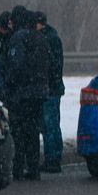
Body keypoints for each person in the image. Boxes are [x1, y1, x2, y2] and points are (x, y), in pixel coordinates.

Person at [4, 6, 51, 180]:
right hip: (39, 92)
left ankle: (17, 169)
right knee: (33, 131)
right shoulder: (41, 38)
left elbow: (16, 64)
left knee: (18, 131)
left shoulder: (18, 37)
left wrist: (8, 84)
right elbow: (50, 63)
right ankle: (34, 168)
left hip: (22, 93)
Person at [36, 11, 65, 173]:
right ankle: (52, 157)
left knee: (50, 124)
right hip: (52, 88)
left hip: (50, 89)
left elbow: (53, 65)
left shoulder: (49, 40)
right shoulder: (52, 38)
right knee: (51, 124)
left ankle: (53, 158)